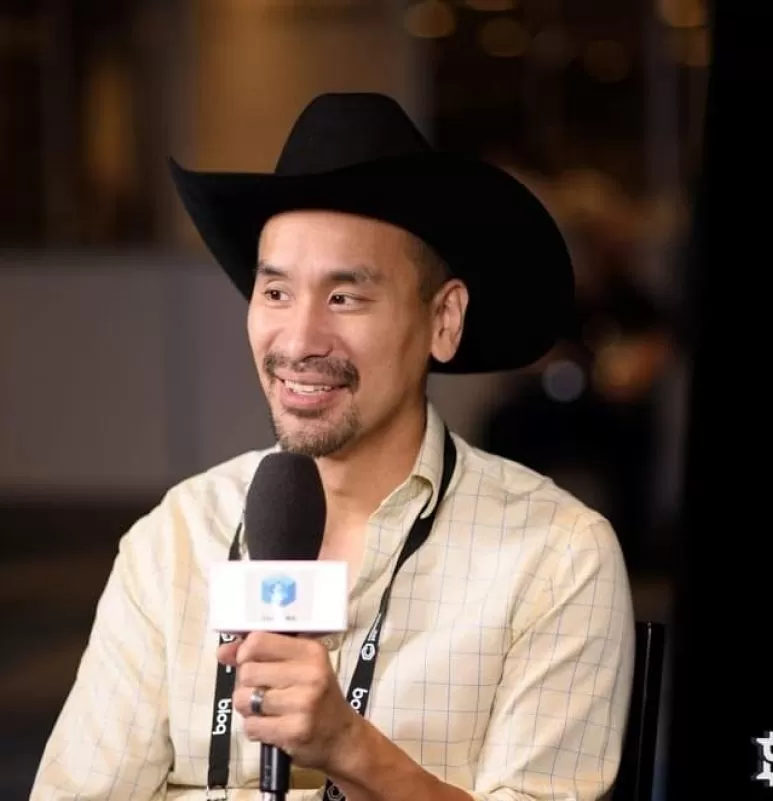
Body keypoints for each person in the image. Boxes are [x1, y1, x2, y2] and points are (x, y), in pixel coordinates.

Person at [30, 92, 635, 801]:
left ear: (443, 320)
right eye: (276, 293)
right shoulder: (176, 538)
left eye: (344, 297)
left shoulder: (555, 557)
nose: (299, 341)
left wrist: (351, 748)